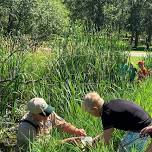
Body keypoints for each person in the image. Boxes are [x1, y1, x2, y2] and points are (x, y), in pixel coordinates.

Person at [82, 92, 152, 151]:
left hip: (142, 131)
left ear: (95, 109)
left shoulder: (106, 114)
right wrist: (94, 140)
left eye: (89, 112)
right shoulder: (112, 104)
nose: (90, 115)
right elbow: (107, 132)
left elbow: (106, 141)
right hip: (146, 124)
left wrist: (92, 148)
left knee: (123, 149)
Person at [16, 97, 86, 151]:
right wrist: (66, 141)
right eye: (43, 114)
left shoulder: (49, 113)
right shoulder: (26, 127)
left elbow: (62, 124)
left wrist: (76, 131)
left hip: (49, 145)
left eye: (47, 112)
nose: (47, 115)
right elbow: (38, 147)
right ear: (34, 114)